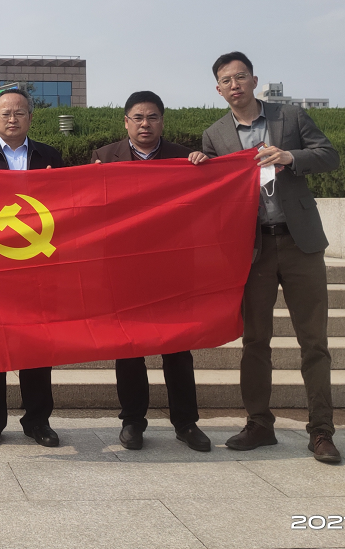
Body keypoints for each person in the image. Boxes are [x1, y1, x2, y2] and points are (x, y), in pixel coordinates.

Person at [201, 51, 342, 464]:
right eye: (226, 80)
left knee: (313, 342)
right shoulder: (215, 135)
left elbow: (329, 155)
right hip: (254, 249)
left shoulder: (290, 117)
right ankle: (260, 424)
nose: (234, 85)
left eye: (240, 77)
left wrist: (290, 157)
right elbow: (211, 190)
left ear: (254, 79)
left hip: (301, 244)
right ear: (218, 89)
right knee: (255, 342)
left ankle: (321, 431)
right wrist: (198, 164)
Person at [90, 91, 212, 454]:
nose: (146, 124)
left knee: (177, 347)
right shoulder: (103, 158)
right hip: (124, 267)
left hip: (172, 267)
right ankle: (132, 421)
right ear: (125, 122)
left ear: (162, 120)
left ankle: (186, 423)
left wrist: (206, 167)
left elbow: (210, 198)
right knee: (128, 347)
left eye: (153, 117)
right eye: (138, 118)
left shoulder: (184, 158)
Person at [0, 87, 63, 449]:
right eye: (4, 113)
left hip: (38, 267)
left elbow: (68, 209)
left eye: (19, 112)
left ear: (30, 118)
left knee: (37, 346)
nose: (11, 118)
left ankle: (38, 420)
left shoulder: (49, 157)